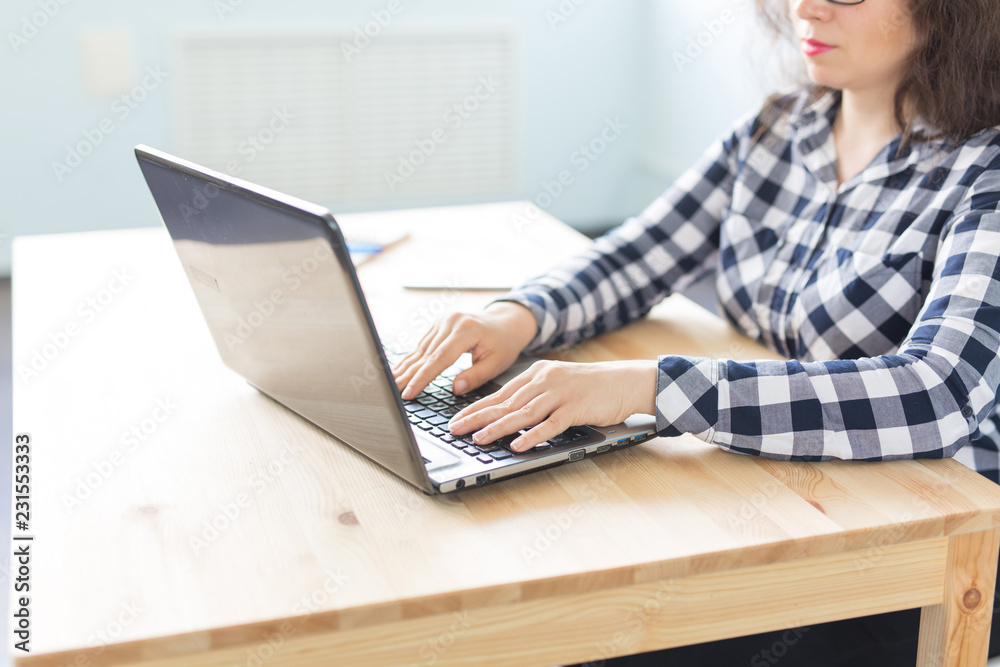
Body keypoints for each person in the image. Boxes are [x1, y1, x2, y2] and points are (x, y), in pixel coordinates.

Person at [392, 0, 1000, 663]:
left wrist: (652, 386)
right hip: (775, 496)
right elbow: (639, 252)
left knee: (585, 636)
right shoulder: (780, 128)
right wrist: (515, 317)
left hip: (921, 553)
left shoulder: (984, 172)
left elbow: (940, 392)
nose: (806, 7)